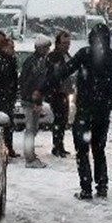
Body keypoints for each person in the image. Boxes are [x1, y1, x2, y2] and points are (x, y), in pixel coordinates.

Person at [41, 23, 112, 199]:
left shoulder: (84, 54)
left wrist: (43, 88)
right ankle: (102, 184)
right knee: (99, 149)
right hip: (103, 111)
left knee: (82, 150)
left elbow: (63, 72)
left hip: (85, 110)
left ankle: (86, 187)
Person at [20, 35, 53, 168]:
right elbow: (31, 82)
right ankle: (29, 157)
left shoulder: (37, 61)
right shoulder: (35, 62)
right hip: (31, 100)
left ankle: (30, 154)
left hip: (32, 99)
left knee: (32, 129)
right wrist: (34, 100)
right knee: (30, 129)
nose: (48, 50)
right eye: (46, 47)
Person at [45, 30, 73, 158]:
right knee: (59, 120)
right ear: (58, 43)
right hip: (57, 93)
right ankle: (57, 146)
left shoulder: (66, 55)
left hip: (65, 92)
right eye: (64, 43)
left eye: (68, 43)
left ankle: (60, 145)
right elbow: (53, 75)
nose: (66, 45)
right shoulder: (54, 56)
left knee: (63, 120)